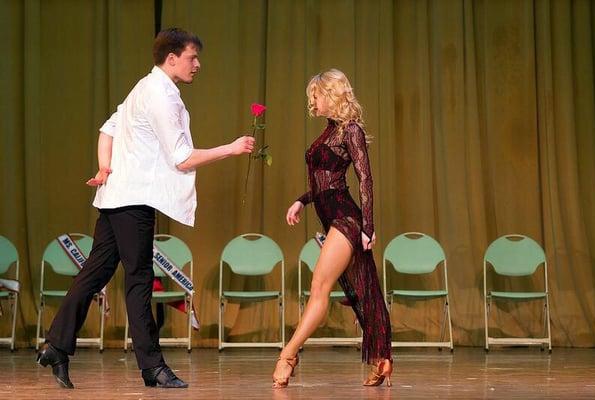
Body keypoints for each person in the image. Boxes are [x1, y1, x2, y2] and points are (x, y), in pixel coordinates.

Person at [36, 28, 255, 389]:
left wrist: (105, 167)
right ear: (172, 58)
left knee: (95, 273)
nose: (197, 64)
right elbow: (182, 159)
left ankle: (57, 346)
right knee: (138, 281)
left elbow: (107, 130)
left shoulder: (144, 87)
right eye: (191, 57)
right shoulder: (160, 95)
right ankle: (152, 366)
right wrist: (229, 149)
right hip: (133, 200)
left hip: (117, 197)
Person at [272, 69, 392, 388]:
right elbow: (326, 182)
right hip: (334, 216)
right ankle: (382, 360)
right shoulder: (329, 131)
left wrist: (368, 226)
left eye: (316, 95)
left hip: (346, 220)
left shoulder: (350, 130)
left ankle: (288, 355)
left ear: (331, 93)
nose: (313, 101)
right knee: (363, 291)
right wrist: (301, 200)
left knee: (319, 288)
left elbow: (364, 179)